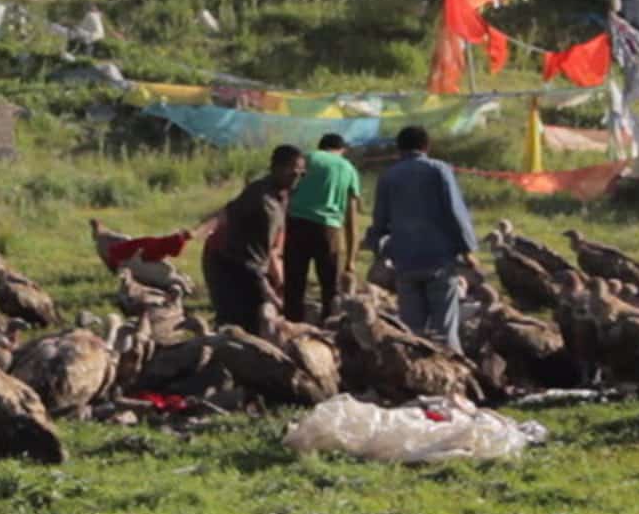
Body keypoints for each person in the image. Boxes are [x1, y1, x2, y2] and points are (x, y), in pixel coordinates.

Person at [363, 125, 478, 354]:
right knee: (444, 329)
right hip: (439, 260)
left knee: (411, 332)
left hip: (405, 262)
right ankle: (452, 375)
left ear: (399, 148)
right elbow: (455, 212)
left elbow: (379, 221)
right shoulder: (439, 170)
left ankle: (417, 377)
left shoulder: (388, 176)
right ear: (427, 146)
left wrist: (380, 251)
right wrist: (468, 250)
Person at [200, 145, 306, 332]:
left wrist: (279, 281)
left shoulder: (281, 194)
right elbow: (253, 262)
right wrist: (270, 292)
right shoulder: (263, 202)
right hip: (225, 260)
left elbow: (272, 249)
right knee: (237, 320)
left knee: (258, 313)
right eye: (293, 172)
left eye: (301, 174)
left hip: (246, 259)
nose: (297, 178)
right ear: (276, 168)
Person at [282, 133, 361, 323]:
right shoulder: (348, 168)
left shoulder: (307, 158)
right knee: (330, 288)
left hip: (296, 224)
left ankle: (291, 328)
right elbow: (352, 219)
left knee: (294, 285)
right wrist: (350, 259)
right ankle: (329, 330)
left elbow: (286, 190)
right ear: (342, 150)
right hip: (329, 230)